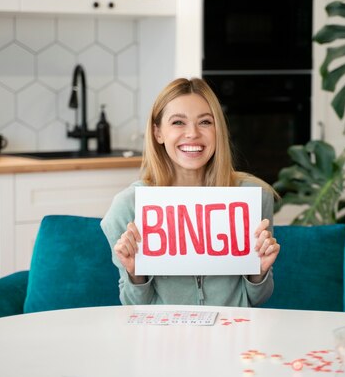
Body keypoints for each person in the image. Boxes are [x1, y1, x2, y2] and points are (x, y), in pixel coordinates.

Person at [100, 77, 280, 307]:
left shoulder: (253, 197)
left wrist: (260, 272)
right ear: (158, 133)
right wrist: (135, 272)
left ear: (218, 130)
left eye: (205, 122)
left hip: (233, 334)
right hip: (163, 336)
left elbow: (257, 299)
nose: (192, 133)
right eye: (178, 122)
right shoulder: (128, 206)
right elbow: (134, 305)